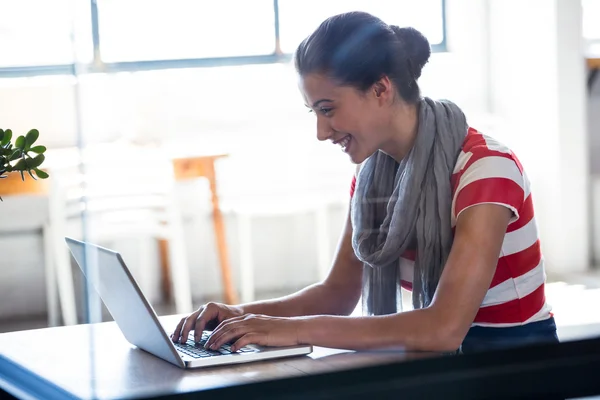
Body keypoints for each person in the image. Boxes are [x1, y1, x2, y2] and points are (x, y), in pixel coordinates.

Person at [171, 11, 559, 354]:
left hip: (511, 370)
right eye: (314, 112)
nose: (322, 132)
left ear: (380, 89)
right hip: (436, 368)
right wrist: (240, 315)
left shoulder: (486, 169)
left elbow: (443, 329)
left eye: (328, 109)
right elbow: (338, 293)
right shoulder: (374, 174)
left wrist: (286, 330)